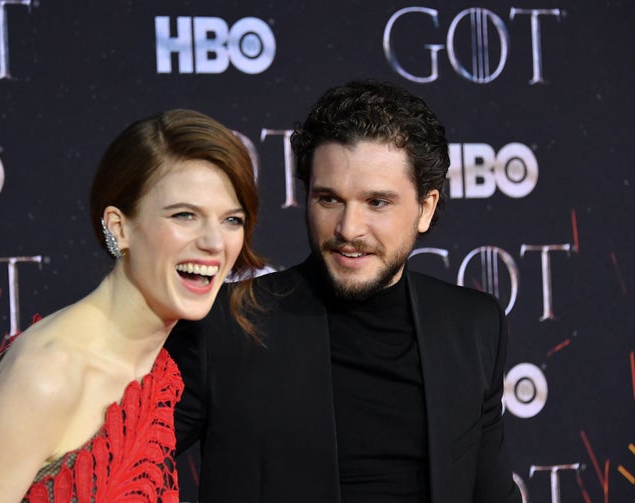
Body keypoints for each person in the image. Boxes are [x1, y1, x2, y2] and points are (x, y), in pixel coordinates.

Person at [166, 80, 522, 503]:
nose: (348, 230)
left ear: (425, 208)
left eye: (377, 202)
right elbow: (117, 469)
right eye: (329, 200)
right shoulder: (229, 324)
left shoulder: (473, 325)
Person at [0, 109, 263, 503]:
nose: (215, 243)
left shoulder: (160, 367)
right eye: (185, 215)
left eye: (232, 219)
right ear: (119, 228)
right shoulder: (47, 375)